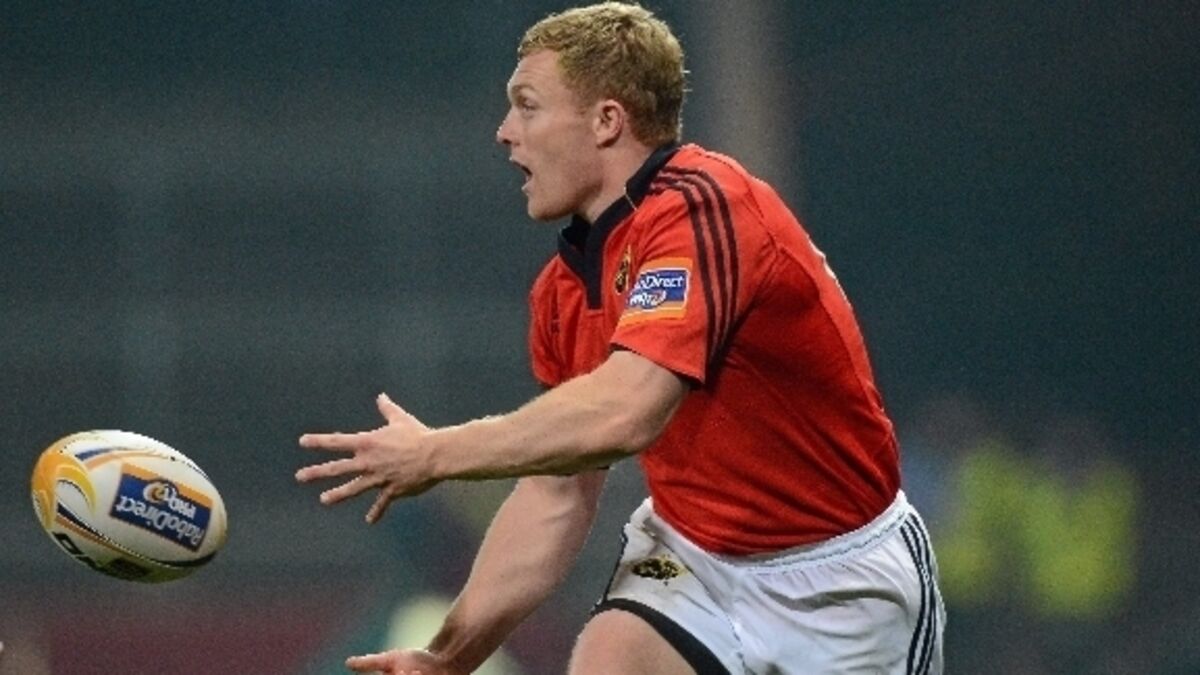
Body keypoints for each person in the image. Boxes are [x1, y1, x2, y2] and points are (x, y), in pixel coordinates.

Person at [296, 2, 945, 673]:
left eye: (528, 106)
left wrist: (438, 453)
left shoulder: (707, 208)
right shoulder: (562, 290)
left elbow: (627, 411)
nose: (505, 132)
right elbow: (555, 496)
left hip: (837, 580)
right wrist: (448, 657)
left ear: (607, 121)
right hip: (692, 558)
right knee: (611, 654)